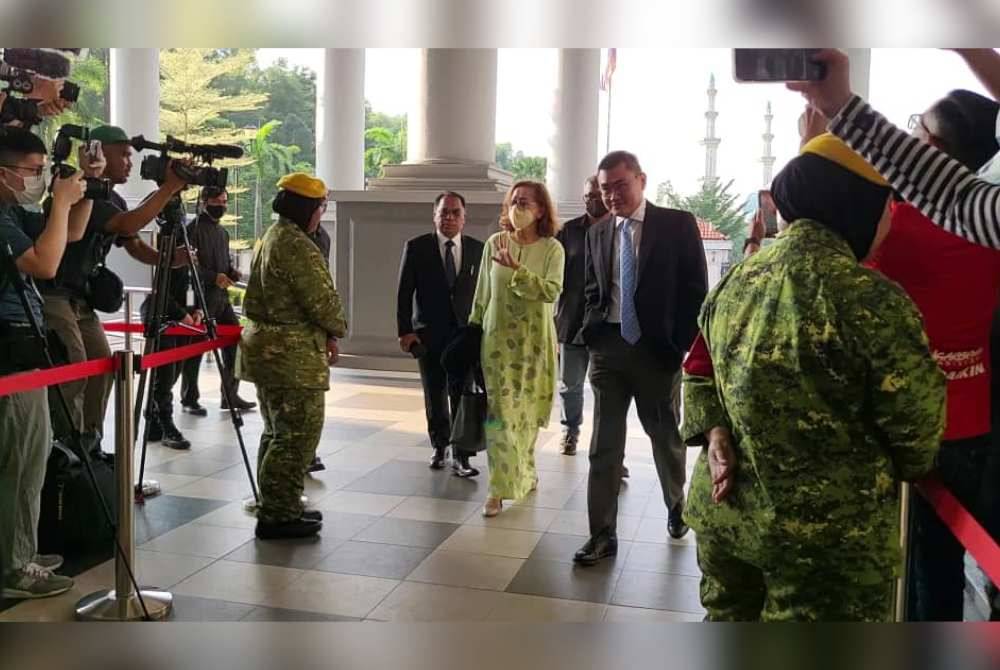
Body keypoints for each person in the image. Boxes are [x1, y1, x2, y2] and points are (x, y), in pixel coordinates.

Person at [682, 133, 946, 622]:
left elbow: (697, 372)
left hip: (726, 517)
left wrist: (716, 432)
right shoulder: (873, 299)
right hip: (823, 545)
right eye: (888, 208)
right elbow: (917, 434)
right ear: (860, 209)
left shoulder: (739, 279)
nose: (891, 221)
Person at [573, 151, 708, 566]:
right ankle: (601, 535)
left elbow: (695, 290)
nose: (612, 195)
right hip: (609, 349)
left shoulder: (676, 224)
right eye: (604, 189)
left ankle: (676, 507)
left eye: (620, 185)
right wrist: (592, 333)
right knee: (603, 446)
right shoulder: (598, 233)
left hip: (656, 351)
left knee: (664, 437)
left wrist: (679, 347)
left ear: (641, 180)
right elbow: (594, 289)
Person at [39, 125, 189, 449]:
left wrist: (171, 258)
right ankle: (65, 446)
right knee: (74, 366)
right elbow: (127, 223)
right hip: (54, 294)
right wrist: (167, 189)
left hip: (81, 299)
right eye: (122, 154)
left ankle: (89, 442)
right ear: (99, 151)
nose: (129, 162)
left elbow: (132, 243)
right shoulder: (79, 187)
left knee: (102, 366)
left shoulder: (114, 197)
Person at [790, 49, 1000, 251]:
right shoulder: (983, 240)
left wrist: (811, 148)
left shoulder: (892, 226)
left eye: (918, 124)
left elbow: (806, 236)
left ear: (932, 146)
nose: (912, 132)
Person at [0, 126, 86, 598]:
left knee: (23, 457)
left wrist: (81, 192)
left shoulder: (11, 212)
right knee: (23, 461)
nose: (39, 179)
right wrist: (60, 200)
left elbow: (67, 234)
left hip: (17, 350)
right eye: (32, 172)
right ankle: (14, 568)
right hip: (10, 353)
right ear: (4, 173)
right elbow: (47, 264)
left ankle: (17, 551)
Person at [236, 173, 347, 540]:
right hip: (291, 357)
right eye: (320, 207)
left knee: (276, 431)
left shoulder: (272, 236)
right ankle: (279, 514)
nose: (321, 214)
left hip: (267, 352)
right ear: (308, 209)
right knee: (297, 435)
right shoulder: (297, 245)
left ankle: (275, 503)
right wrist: (338, 327)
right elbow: (321, 301)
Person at [469, 180, 564, 517]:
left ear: (541, 210)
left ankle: (526, 468)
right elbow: (482, 294)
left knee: (526, 415)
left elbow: (552, 291)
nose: (517, 208)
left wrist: (518, 271)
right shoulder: (495, 242)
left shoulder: (553, 249)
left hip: (534, 345)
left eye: (525, 202)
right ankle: (498, 488)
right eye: (513, 201)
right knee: (499, 416)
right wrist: (472, 329)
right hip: (496, 346)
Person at [397, 191, 484, 477]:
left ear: (464, 217)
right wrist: (405, 331)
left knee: (463, 394)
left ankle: (462, 455)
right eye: (443, 212)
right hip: (429, 334)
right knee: (434, 393)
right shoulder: (417, 247)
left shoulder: (477, 249)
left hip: (465, 335)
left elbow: (486, 294)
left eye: (455, 212)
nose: (449, 217)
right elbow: (403, 293)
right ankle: (439, 446)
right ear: (434, 215)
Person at [180, 187, 255, 415]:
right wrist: (214, 277)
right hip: (199, 298)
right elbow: (187, 267)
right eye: (216, 201)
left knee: (234, 342)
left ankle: (230, 395)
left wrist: (231, 272)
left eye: (224, 201)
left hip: (221, 299)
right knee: (195, 350)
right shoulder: (191, 230)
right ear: (204, 201)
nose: (221, 205)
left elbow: (222, 264)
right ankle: (189, 397)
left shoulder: (222, 232)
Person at [554, 176, 609, 457]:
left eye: (598, 195)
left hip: (606, 324)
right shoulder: (567, 231)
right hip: (571, 319)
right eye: (588, 196)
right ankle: (570, 431)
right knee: (570, 386)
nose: (593, 200)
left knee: (606, 389)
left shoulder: (619, 229)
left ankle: (607, 446)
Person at [140, 239, 204, 451]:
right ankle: (165, 424)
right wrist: (182, 314)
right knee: (165, 374)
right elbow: (161, 294)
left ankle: (155, 419)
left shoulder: (192, 268)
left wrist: (197, 310)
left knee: (174, 372)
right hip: (162, 319)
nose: (192, 253)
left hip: (182, 324)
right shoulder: (166, 265)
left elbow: (193, 291)